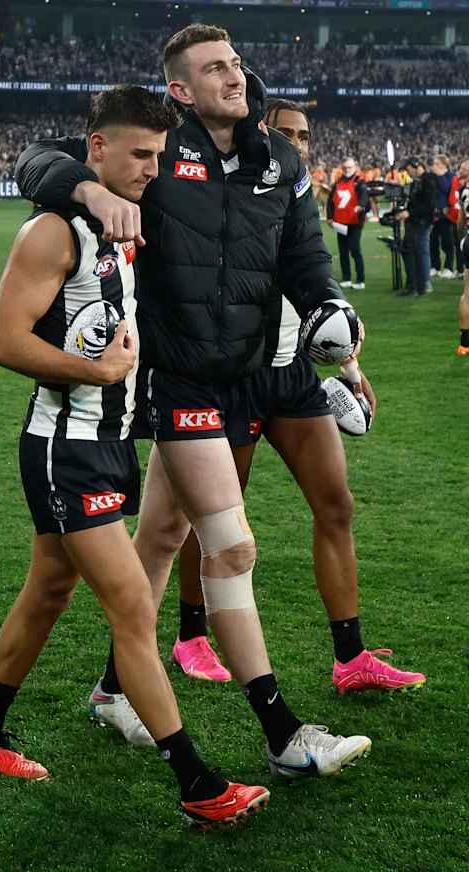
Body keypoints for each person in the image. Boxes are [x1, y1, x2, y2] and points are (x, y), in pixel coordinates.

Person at [15, 25, 373, 781]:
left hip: (243, 375)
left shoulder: (280, 160)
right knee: (231, 544)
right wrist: (86, 189)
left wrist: (336, 330)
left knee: (161, 537)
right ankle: (283, 737)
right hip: (175, 378)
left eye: (237, 62)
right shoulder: (158, 148)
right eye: (215, 68)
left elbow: (306, 263)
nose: (234, 75)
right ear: (181, 89)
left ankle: (114, 690)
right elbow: (40, 158)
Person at [0, 85, 270, 829]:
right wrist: (98, 374)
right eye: (138, 154)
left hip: (106, 447)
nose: (150, 170)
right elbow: (5, 342)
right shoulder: (52, 232)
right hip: (65, 450)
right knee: (133, 607)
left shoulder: (126, 224)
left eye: (159, 156)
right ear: (95, 150)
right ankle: (199, 784)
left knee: (48, 594)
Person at [172, 98, 426, 695]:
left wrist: (350, 365)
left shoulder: (296, 196)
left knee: (335, 505)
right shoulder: (229, 190)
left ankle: (351, 657)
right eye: (286, 132)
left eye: (305, 135)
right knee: (213, 520)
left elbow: (315, 289)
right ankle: (190, 637)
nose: (298, 142)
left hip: (294, 376)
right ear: (259, 131)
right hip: (235, 375)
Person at [395, 157, 437, 298]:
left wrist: (410, 212)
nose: (408, 173)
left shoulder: (428, 181)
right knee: (416, 252)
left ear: (414, 166)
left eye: (408, 169)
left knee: (420, 253)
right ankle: (417, 284)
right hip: (415, 223)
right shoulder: (417, 182)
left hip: (422, 223)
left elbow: (429, 205)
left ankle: (423, 283)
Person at [326, 157, 368, 291]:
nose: (347, 170)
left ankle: (360, 279)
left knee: (355, 250)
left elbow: (364, 196)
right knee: (343, 252)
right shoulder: (338, 183)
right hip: (341, 222)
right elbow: (330, 201)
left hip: (355, 222)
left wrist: (360, 206)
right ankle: (346, 278)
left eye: (349, 167)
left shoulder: (359, 182)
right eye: (344, 168)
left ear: (354, 168)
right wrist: (330, 217)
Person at [430, 154, 455, 279]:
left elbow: (446, 189)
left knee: (447, 243)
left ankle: (448, 267)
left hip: (446, 216)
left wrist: (440, 176)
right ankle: (435, 266)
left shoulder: (451, 177)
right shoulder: (432, 178)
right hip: (433, 214)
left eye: (437, 163)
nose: (434, 166)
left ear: (444, 165)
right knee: (433, 242)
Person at [456, 159, 469, 356]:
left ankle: (465, 344)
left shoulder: (464, 191)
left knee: (468, 293)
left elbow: (460, 222)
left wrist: (462, 240)